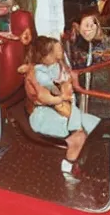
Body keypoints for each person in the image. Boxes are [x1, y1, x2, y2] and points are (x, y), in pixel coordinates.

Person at [25, 36, 100, 180]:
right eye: (56, 50)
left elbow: (69, 80)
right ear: (46, 55)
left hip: (60, 109)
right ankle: (68, 168)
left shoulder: (57, 66)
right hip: (42, 114)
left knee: (92, 124)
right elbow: (45, 96)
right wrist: (62, 97)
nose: (60, 51)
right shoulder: (36, 72)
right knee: (80, 133)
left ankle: (80, 161)